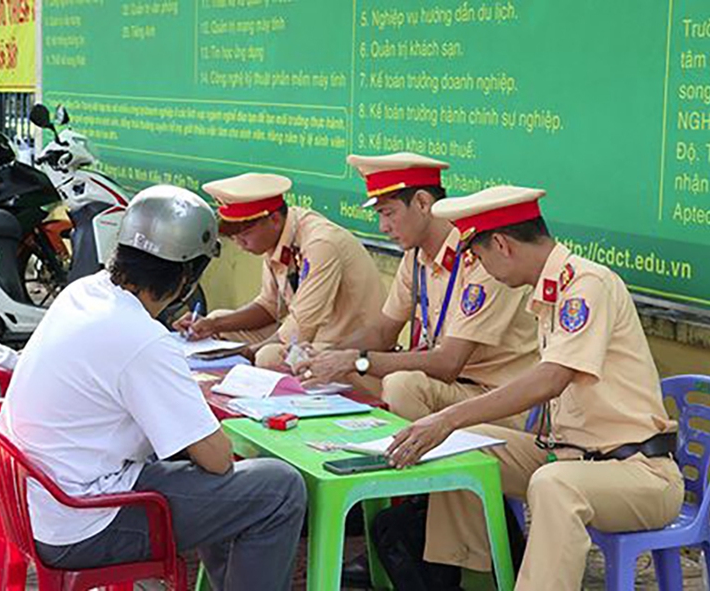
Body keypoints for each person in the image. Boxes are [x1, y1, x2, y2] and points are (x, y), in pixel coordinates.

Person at [0, 185, 306, 591]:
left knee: (217, 490)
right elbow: (217, 460)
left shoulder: (82, 293)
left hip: (40, 505)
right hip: (84, 523)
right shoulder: (144, 340)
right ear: (187, 277)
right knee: (278, 489)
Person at [378, 186, 684, 590]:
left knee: (554, 485)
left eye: (479, 256)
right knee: (461, 444)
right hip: (572, 458)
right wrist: (447, 427)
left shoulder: (586, 285)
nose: (482, 269)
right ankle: (469, 575)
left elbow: (551, 378)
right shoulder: (549, 293)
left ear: (501, 244)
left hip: (637, 474)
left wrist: (448, 415)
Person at [295, 153, 538, 427]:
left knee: (402, 384)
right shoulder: (416, 257)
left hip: (491, 398)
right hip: (442, 388)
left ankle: (423, 466)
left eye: (389, 213)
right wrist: (327, 355)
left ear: (423, 203)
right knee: (333, 368)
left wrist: (356, 360)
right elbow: (382, 331)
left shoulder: (481, 259)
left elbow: (448, 363)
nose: (383, 227)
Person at [174, 172, 385, 370]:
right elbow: (269, 306)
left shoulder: (321, 244)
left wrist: (248, 352)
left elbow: (302, 326)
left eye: (245, 233)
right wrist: (211, 324)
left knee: (269, 356)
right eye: (233, 237)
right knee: (220, 320)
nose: (239, 243)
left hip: (345, 346)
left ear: (274, 219)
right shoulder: (279, 235)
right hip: (312, 338)